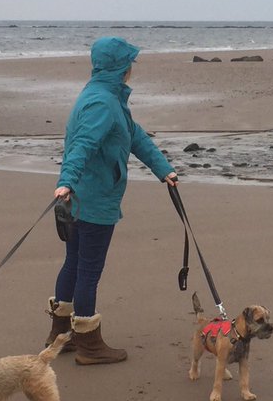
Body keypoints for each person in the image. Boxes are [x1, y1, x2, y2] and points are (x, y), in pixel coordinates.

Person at [45, 36, 178, 365]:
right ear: (122, 67)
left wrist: (164, 170)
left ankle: (61, 335)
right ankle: (88, 344)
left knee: (74, 264)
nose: (133, 68)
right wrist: (66, 182)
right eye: (130, 62)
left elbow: (134, 134)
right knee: (87, 270)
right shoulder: (104, 103)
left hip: (84, 197)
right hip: (92, 200)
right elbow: (83, 145)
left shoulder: (106, 97)